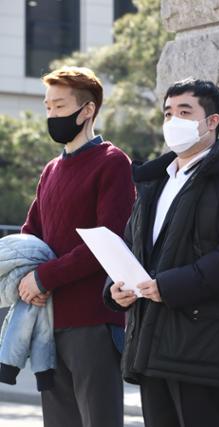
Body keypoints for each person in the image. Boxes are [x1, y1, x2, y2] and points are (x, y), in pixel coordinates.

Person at [103, 78, 219, 427]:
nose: (173, 121)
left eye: (184, 111)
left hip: (201, 345)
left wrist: (171, 286)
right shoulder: (154, 181)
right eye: (167, 113)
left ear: (212, 121)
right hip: (152, 345)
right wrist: (115, 289)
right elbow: (133, 247)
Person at [19, 66, 135, 427]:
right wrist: (27, 277)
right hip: (49, 323)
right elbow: (30, 234)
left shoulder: (113, 163)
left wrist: (44, 278)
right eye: (48, 107)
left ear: (87, 110)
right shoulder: (51, 170)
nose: (51, 115)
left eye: (59, 106)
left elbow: (107, 240)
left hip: (95, 323)